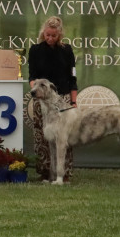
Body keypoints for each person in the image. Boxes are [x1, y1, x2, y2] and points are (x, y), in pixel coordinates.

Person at [26, 16, 77, 181]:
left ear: (60, 34)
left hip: (63, 100)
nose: (50, 38)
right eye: (47, 35)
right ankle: (45, 172)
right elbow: (32, 77)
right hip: (41, 99)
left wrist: (74, 101)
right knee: (42, 137)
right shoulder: (35, 50)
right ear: (43, 32)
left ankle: (64, 172)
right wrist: (37, 90)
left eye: (54, 35)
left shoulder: (67, 50)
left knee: (64, 137)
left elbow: (72, 79)